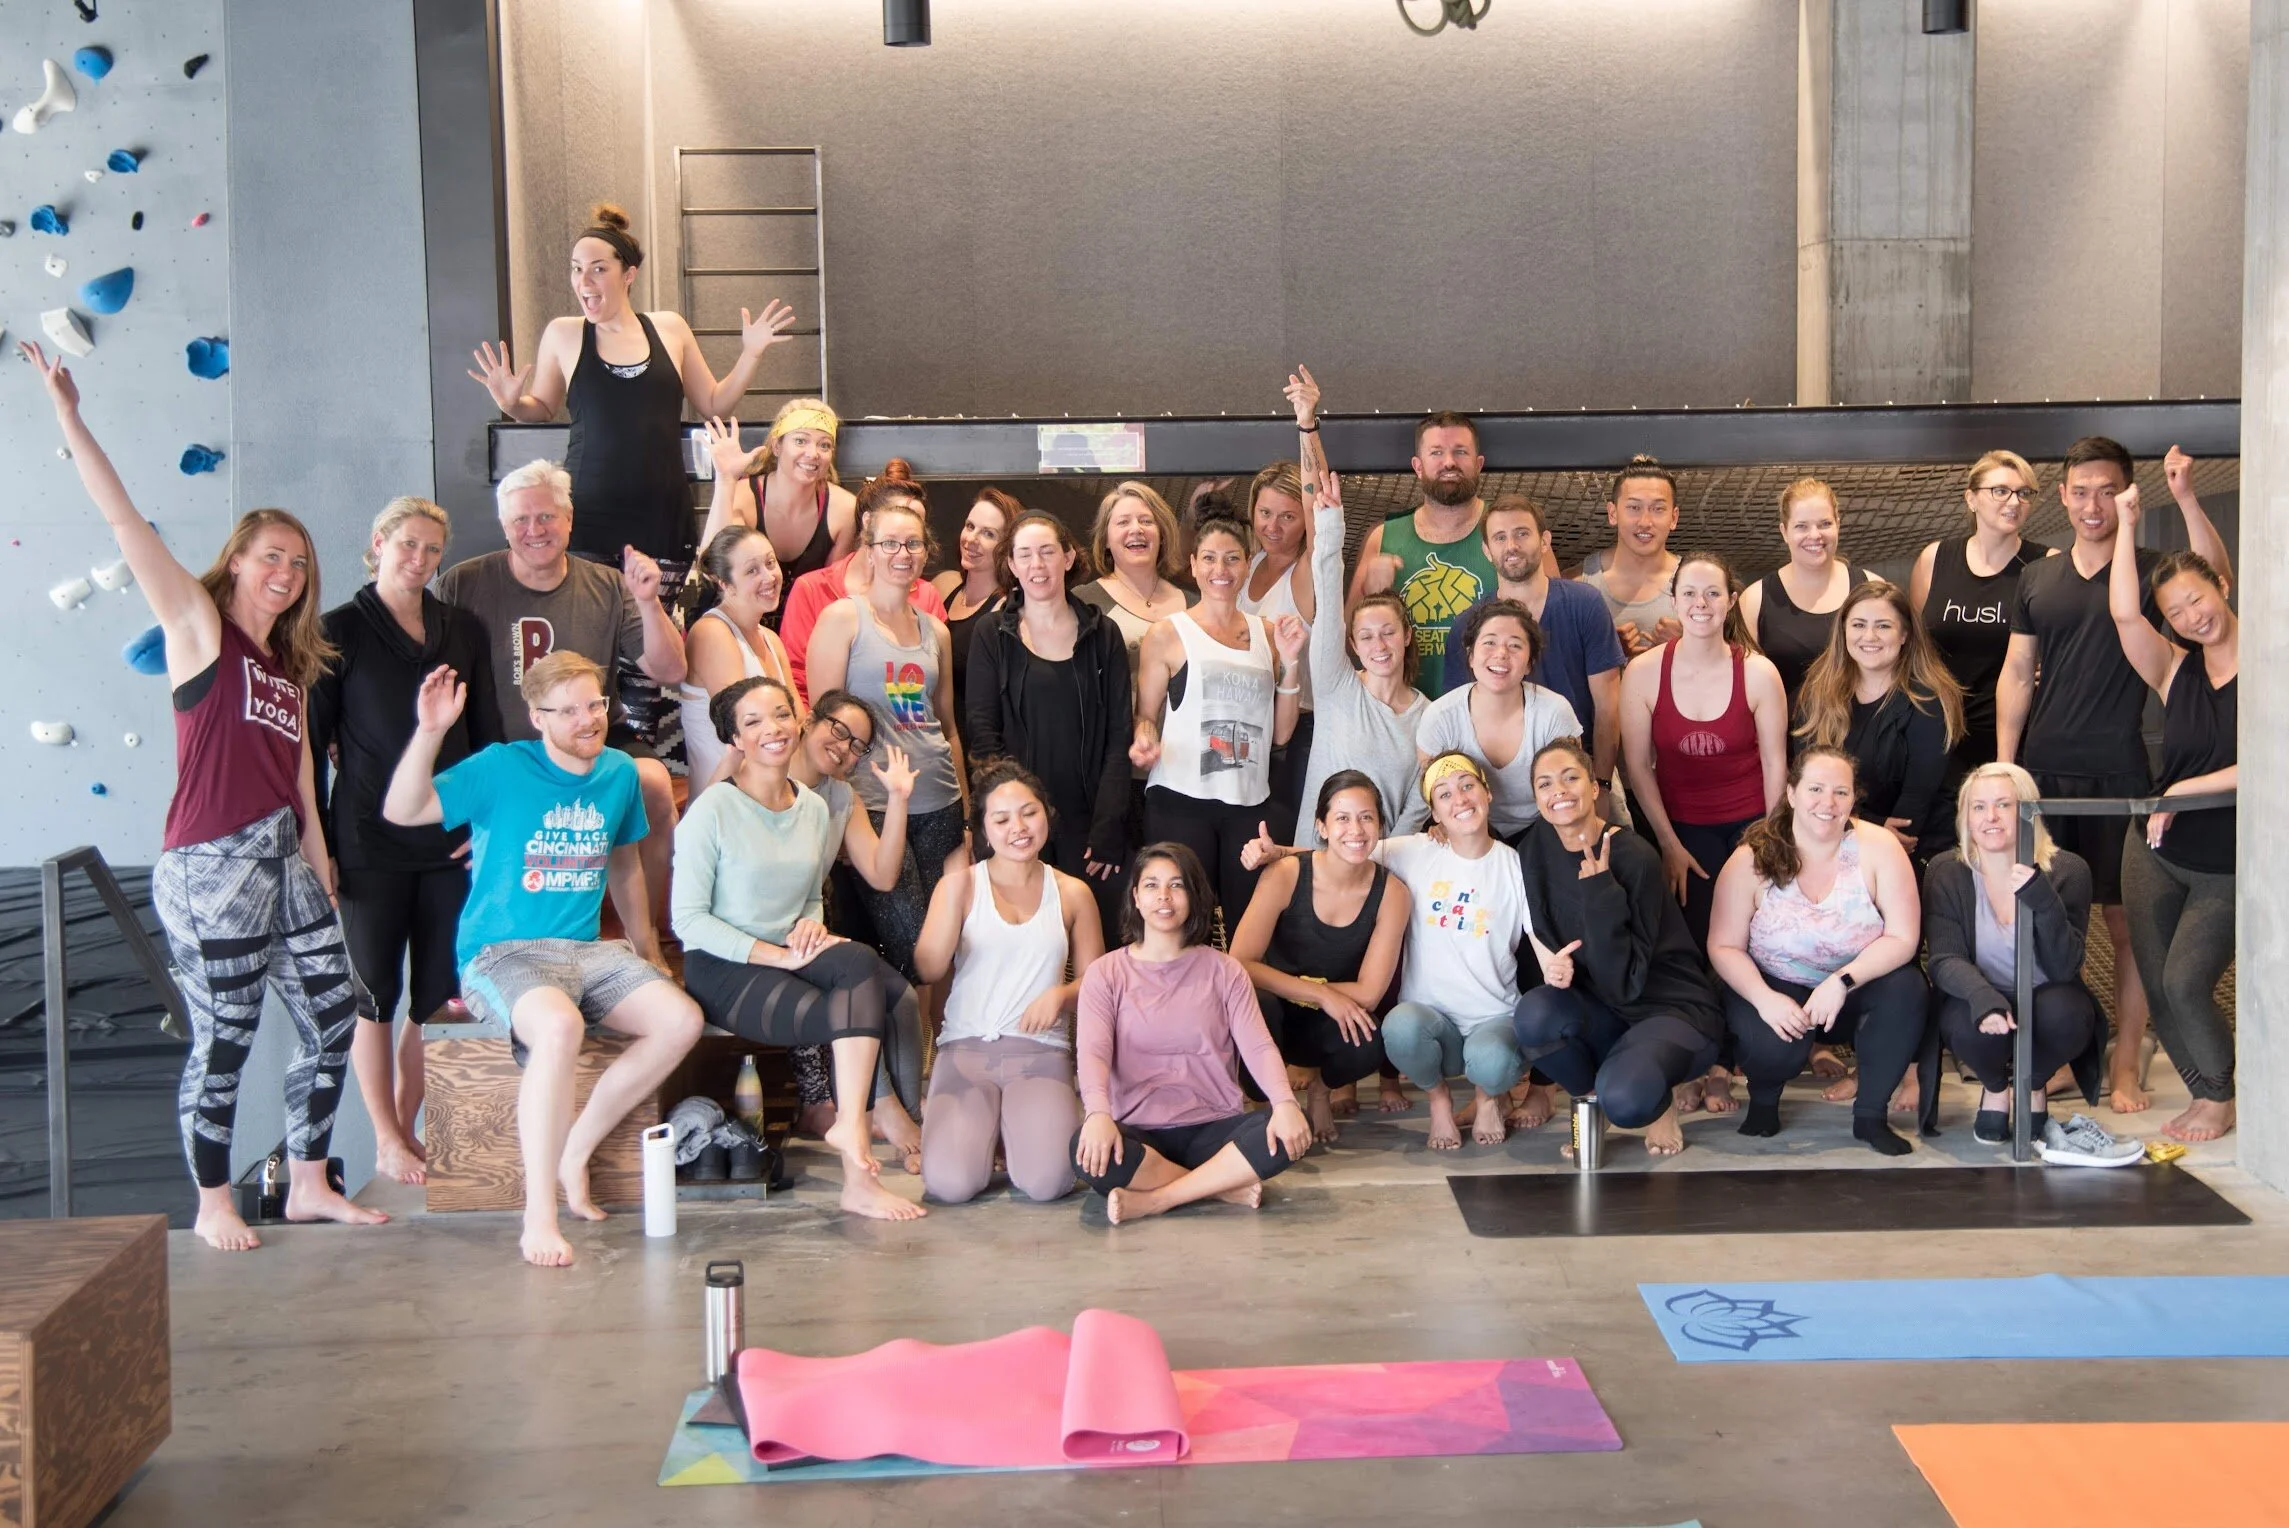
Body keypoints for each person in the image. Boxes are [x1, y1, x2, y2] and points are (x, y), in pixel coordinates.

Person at [28, 340, 385, 1253]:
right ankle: (213, 1201)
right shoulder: (198, 626)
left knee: (335, 1010)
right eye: (272, 557)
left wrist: (321, 871)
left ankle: (309, 1182)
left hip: (278, 854)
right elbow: (126, 527)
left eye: (299, 565)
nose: (286, 574)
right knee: (226, 1036)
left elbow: (304, 777)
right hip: (209, 861)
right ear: (236, 562)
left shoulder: (286, 667)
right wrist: (72, 418)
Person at [383, 653, 704, 1267]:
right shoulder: (502, 768)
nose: (589, 719)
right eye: (572, 710)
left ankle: (575, 1151)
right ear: (538, 717)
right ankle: (539, 1216)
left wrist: (648, 950)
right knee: (560, 1027)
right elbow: (403, 810)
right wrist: (429, 732)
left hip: (586, 952)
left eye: (596, 705)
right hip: (501, 954)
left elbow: (624, 864)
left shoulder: (616, 773)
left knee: (680, 1021)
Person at [1997, 436, 2230, 1112]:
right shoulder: (2036, 576)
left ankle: (2126, 1057)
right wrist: (2008, 766)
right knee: (2044, 917)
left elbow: (2211, 577)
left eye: (2106, 490)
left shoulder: (2149, 568)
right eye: (2079, 491)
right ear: (2063, 496)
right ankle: (2065, 1054)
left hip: (2126, 767)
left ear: (2126, 495)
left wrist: (2183, 497)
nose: (2091, 503)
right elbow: (2017, 672)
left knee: (2126, 926)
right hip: (2044, 768)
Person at [671, 676, 923, 1220]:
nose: (773, 730)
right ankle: (862, 1132)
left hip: (787, 954)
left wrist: (808, 929)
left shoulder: (811, 806)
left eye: (781, 715)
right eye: (754, 722)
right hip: (726, 966)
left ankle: (851, 1127)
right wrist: (775, 954)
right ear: (735, 739)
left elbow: (809, 896)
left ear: (797, 720)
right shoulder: (712, 811)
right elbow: (688, 920)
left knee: (859, 959)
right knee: (842, 1010)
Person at [310, 496, 498, 1188]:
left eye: (430, 550)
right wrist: (321, 845)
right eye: (406, 545)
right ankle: (384, 1137)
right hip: (365, 839)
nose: (418, 560)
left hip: (447, 842)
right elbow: (309, 744)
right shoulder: (337, 632)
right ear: (378, 543)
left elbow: (488, 738)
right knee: (374, 990)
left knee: (438, 993)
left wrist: (489, 829)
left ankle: (413, 1127)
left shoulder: (462, 629)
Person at [469, 204, 796, 569]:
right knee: (595, 618)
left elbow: (715, 405)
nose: (584, 282)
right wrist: (512, 404)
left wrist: (751, 355)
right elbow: (542, 407)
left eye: (598, 269)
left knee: (658, 620)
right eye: (577, 269)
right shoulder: (564, 333)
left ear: (629, 274)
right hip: (588, 514)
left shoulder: (670, 328)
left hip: (662, 513)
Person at [437, 460, 686, 930]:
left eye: (546, 516)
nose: (534, 530)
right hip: (509, 749)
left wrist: (650, 602)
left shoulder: (608, 584)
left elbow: (671, 670)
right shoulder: (463, 584)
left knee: (653, 782)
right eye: (520, 520)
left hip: (593, 735)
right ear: (504, 526)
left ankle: (647, 935)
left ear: (569, 520)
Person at [1071, 844, 1312, 1223]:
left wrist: (1284, 1102)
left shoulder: (1225, 970)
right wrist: (1097, 1113)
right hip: (1140, 1133)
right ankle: (1221, 1187)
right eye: (1151, 885)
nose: (1163, 897)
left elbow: (1258, 1045)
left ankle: (1157, 1198)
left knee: (1290, 1128)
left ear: (1193, 895)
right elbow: (1093, 1053)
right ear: (1135, 896)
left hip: (1213, 1128)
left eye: (1177, 885)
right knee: (1085, 1153)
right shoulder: (1105, 974)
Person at [1707, 748, 1928, 1154]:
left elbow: (1903, 938)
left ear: (1853, 799)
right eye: (1815, 789)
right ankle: (1764, 1099)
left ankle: (1870, 1117)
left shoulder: (1879, 848)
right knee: (1773, 1046)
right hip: (1776, 985)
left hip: (1852, 985)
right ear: (1791, 794)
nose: (1828, 803)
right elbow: (1722, 945)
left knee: (1907, 988)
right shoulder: (1751, 857)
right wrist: (1764, 998)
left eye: (1841, 792)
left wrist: (1843, 980)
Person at [1511, 740, 1724, 1158]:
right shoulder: (1534, 848)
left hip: (1667, 1009)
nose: (1560, 792)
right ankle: (1592, 1100)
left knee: (1629, 1100)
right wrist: (1554, 964)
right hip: (1604, 1010)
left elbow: (1624, 980)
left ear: (1594, 788)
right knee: (1535, 1016)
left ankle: (1656, 1099)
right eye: (1545, 784)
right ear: (1535, 799)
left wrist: (1599, 891)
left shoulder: (1634, 857)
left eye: (1571, 778)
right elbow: (1543, 926)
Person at [2112, 474, 2239, 1144]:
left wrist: (2186, 498)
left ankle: (2220, 1094)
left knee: (2188, 980)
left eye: (2197, 598)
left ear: (2221, 585)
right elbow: (2124, 617)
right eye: (2177, 611)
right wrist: (2128, 522)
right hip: (2157, 850)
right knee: (2157, 984)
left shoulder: (2271, 663)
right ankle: (2204, 1094)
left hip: (2223, 857)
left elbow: (2269, 769)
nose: (2191, 617)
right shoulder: (2173, 667)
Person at [914, 762, 1105, 1205]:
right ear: (983, 829)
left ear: (1047, 815)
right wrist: (949, 898)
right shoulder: (959, 885)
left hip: (1040, 1052)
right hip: (966, 1050)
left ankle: (1011, 1128)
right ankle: (989, 1130)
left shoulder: (1073, 892)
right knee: (949, 1185)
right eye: (1001, 820)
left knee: (1048, 1183)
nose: (1017, 828)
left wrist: (1060, 994)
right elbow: (927, 968)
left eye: (1028, 813)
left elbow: (1097, 985)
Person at [807, 493, 971, 978]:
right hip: (873, 804)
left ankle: (936, 1045)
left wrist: (963, 805)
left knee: (950, 941)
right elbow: (824, 728)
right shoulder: (843, 618)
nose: (903, 554)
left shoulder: (935, 632)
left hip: (939, 801)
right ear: (870, 548)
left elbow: (947, 727)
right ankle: (906, 1049)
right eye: (891, 544)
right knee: (915, 943)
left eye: (914, 545)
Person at [1131, 517, 1308, 929]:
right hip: (1179, 800)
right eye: (1209, 558)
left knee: (1248, 925)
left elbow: (1281, 733)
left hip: (1248, 803)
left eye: (1231, 559)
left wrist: (1293, 659)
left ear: (1247, 565)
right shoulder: (1167, 633)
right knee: (1178, 921)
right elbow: (1146, 716)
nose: (1220, 570)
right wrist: (1143, 740)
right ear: (1193, 564)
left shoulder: (1268, 634)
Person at [964, 511, 1134, 937]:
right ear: (1013, 566)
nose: (1037, 565)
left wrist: (1110, 824)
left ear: (1069, 557)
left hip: (1089, 823)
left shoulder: (1104, 634)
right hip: (1020, 826)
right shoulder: (992, 634)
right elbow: (983, 735)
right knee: (1027, 945)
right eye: (1025, 555)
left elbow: (1119, 737)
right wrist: (1004, 823)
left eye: (1047, 552)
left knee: (1098, 947)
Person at [1356, 753, 1538, 1150]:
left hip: (1494, 1019)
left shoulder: (1516, 865)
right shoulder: (1416, 852)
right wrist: (1278, 854)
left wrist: (1556, 963)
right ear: (1435, 814)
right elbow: (1345, 853)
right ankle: (1439, 1100)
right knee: (1400, 1028)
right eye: (1444, 794)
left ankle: (1488, 1096)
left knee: (1494, 1062)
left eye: (1467, 786)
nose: (1459, 799)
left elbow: (1537, 936)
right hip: (1434, 1024)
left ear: (1487, 793)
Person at [1617, 552, 1789, 955]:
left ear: (1730, 601)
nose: (1701, 604)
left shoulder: (1759, 672)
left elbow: (1774, 762)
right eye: (1690, 593)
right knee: (1700, 940)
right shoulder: (1642, 672)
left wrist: (1774, 836)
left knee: (1759, 934)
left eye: (1713, 593)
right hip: (1684, 826)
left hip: (1753, 821)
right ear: (1673, 601)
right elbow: (1638, 766)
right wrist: (1668, 844)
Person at [1228, 771, 1410, 1143]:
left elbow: (1370, 992)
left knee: (1369, 1040)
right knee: (1254, 1003)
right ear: (1322, 826)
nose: (1355, 830)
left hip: (1326, 1021)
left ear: (1380, 825)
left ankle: (1321, 1089)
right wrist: (1323, 993)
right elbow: (1240, 962)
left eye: (1366, 817)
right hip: (1275, 1010)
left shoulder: (1392, 893)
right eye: (1342, 818)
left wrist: (1322, 997)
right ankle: (1269, 1103)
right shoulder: (1286, 873)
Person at [1924, 764, 2102, 1144]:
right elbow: (1943, 959)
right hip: (1980, 990)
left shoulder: (2068, 869)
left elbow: (2065, 965)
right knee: (1965, 1025)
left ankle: (2034, 1084)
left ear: (2027, 811)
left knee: (2069, 1017)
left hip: (2048, 991)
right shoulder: (1947, 871)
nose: (1990, 817)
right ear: (1965, 817)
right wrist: (1982, 998)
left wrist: (2044, 900)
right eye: (1978, 807)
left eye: (2003, 805)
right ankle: (1995, 1088)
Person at [783, 690, 926, 1161]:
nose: (844, 747)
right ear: (809, 720)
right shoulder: (767, 778)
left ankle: (910, 1118)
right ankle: (882, 1104)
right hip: (767, 934)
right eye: (838, 730)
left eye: (857, 745)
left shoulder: (842, 797)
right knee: (856, 977)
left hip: (810, 933)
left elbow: (883, 875)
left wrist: (898, 800)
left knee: (901, 996)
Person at [1440, 495, 1626, 806]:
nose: (1511, 545)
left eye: (1522, 533)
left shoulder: (1585, 604)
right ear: (1487, 550)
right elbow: (1458, 721)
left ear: (1544, 541)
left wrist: (1603, 785)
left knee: (1620, 851)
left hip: (1580, 777)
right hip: (1498, 788)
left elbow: (1608, 708)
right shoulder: (1467, 626)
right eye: (1500, 537)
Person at [1294, 470, 1430, 849]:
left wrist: (1382, 861)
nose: (1379, 645)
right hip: (1316, 865)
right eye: (1366, 637)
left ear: (1406, 636)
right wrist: (1331, 526)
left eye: (1388, 632)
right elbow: (1326, 591)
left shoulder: (1429, 716)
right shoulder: (1336, 687)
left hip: (1383, 869)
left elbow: (1417, 807)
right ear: (1352, 643)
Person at [1791, 580, 1965, 863]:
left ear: (1905, 634)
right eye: (1858, 625)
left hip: (1919, 845)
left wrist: (1869, 832)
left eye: (1883, 626)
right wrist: (1864, 824)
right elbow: (1809, 778)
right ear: (1843, 630)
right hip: (1837, 831)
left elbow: (1913, 806)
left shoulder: (1930, 698)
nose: (1869, 636)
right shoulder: (1817, 692)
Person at [1909, 450, 2054, 782]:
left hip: (2015, 739)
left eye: (2024, 493)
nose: (2014, 501)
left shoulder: (2045, 565)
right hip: (1939, 735)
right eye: (2000, 491)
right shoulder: (1935, 559)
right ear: (1971, 498)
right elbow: (1914, 649)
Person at [1345, 410, 1496, 696]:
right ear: (1418, 466)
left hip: (1485, 721)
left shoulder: (1508, 533)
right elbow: (1348, 637)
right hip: (1403, 721)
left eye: (1460, 452)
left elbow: (1550, 625)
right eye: (1436, 452)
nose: (1449, 462)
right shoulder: (1383, 537)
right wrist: (1371, 593)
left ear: (1478, 464)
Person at [1416, 598, 1582, 843]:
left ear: (1530, 663)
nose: (1501, 653)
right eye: (1490, 643)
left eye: (1515, 646)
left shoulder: (1554, 712)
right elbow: (1434, 790)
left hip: (1545, 827)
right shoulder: (1440, 717)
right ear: (1471, 656)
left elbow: (1571, 788)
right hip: (1469, 826)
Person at [777, 466, 949, 701]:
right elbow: (796, 678)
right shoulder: (812, 588)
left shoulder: (927, 596)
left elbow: (933, 689)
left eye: (917, 523)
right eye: (897, 515)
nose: (907, 527)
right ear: (868, 522)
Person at [696, 401, 859, 605]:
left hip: (804, 626)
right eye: (800, 441)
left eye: (824, 445)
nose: (812, 453)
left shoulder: (844, 509)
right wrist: (726, 480)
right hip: (738, 622)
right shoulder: (743, 497)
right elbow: (712, 571)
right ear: (776, 446)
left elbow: (831, 594)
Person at [1235, 458, 1316, 838]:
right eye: (1265, 512)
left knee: (1282, 842)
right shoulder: (1249, 564)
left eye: (1288, 516)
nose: (1273, 526)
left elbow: (1323, 526)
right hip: (1249, 721)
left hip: (1298, 729)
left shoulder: (1306, 572)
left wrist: (1307, 425)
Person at [675, 523, 794, 784]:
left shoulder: (771, 639)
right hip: (726, 802)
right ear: (725, 583)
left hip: (774, 791)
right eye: (752, 570)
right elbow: (743, 729)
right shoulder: (712, 633)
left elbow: (799, 725)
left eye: (770, 563)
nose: (769, 576)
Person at [1740, 478, 1866, 704]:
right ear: (1784, 531)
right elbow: (1743, 689)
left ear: (1838, 523)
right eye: (1802, 526)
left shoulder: (1870, 588)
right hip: (1786, 736)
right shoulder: (1754, 600)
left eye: (1825, 524)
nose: (1815, 535)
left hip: (1862, 735)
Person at [1579, 456, 1682, 661]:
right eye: (1634, 508)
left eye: (1658, 509)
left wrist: (1692, 643)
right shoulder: (1577, 583)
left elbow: (1735, 666)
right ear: (1612, 513)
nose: (1645, 522)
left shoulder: (1703, 585)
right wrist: (1605, 650)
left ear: (1674, 517)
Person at [933, 486, 1021, 725]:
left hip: (972, 739)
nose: (971, 539)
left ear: (1007, 547)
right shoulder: (942, 585)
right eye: (970, 526)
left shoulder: (1005, 610)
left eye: (988, 534)